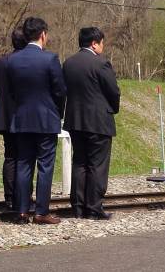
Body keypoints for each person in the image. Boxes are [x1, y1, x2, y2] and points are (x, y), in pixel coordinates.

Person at [7, 17, 66, 225]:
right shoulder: (50, 59)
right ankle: (41, 212)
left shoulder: (12, 60)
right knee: (45, 166)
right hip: (46, 119)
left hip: (21, 119)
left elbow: (11, 91)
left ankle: (22, 211)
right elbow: (60, 91)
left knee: (23, 164)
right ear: (43, 34)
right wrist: (57, 112)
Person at [62, 27, 120, 220]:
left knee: (79, 162)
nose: (103, 47)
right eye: (102, 43)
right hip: (98, 121)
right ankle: (94, 207)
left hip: (75, 120)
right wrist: (112, 108)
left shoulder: (68, 63)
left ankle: (78, 207)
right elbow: (113, 91)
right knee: (97, 165)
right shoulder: (101, 64)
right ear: (94, 43)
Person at [0, 27, 28, 211]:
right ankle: (22, 197)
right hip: (24, 117)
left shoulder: (0, 63)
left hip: (5, 117)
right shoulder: (27, 62)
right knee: (24, 158)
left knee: (10, 157)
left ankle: (9, 198)